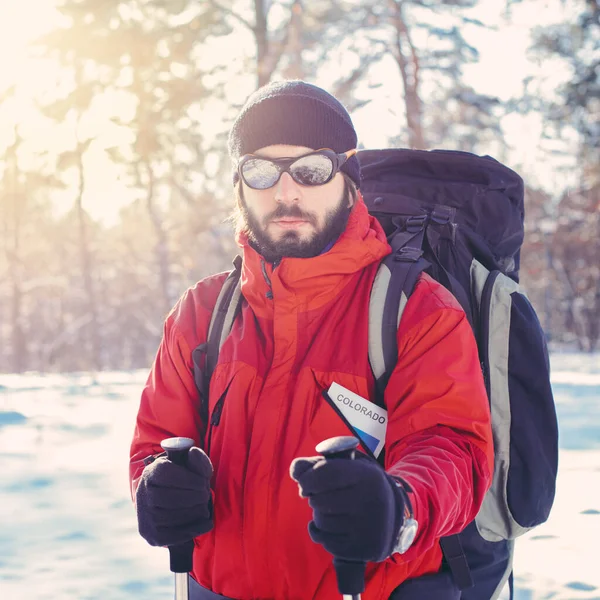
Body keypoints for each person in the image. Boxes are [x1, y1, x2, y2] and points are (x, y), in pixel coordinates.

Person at [129, 80, 494, 600]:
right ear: (239, 185)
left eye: (311, 169)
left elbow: (454, 447)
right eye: (260, 170)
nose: (285, 193)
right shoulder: (201, 313)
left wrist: (398, 506)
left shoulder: (416, 309)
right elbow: (153, 442)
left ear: (348, 179)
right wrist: (156, 488)